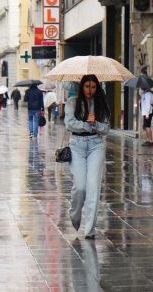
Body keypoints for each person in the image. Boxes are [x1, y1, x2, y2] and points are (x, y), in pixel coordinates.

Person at [64, 74, 110, 239]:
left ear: (97, 88)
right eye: (87, 86)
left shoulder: (101, 104)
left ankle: (90, 229)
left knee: (93, 189)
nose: (89, 90)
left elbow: (106, 129)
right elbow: (69, 124)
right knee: (80, 187)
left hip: (96, 146)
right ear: (82, 87)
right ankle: (75, 214)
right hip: (77, 146)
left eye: (93, 87)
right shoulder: (72, 103)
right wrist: (88, 125)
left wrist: (96, 124)